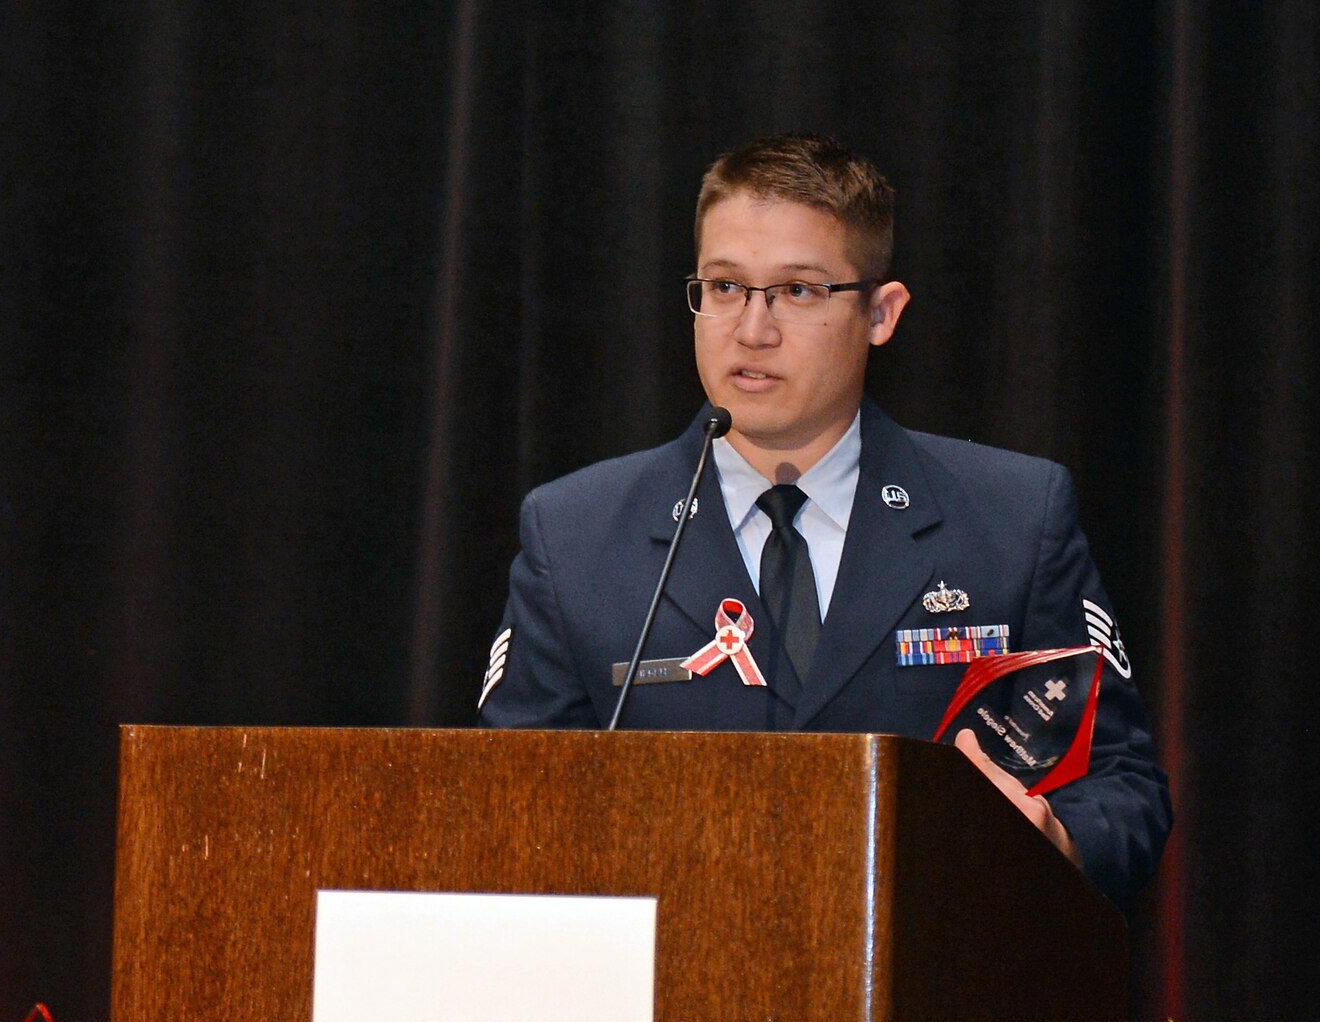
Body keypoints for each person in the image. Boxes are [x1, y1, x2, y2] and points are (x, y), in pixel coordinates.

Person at [476, 133, 1169, 911]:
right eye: (726, 286)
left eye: (799, 291)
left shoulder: (1013, 520)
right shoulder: (573, 536)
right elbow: (507, 810)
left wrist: (1054, 842)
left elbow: (1122, 788)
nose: (752, 329)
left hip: (926, 992)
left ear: (881, 312)